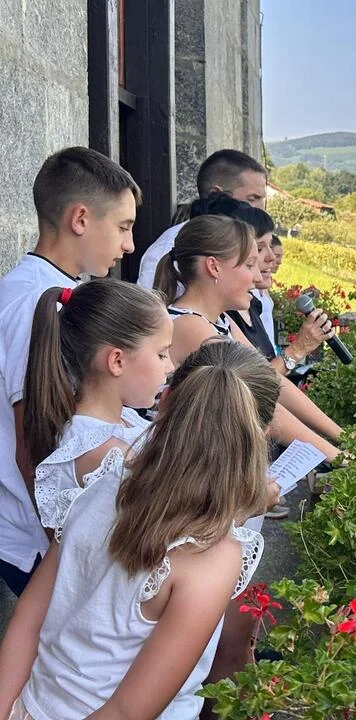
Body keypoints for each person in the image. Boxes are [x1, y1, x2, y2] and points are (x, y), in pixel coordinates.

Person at [0, 341, 280, 718]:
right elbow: (127, 711)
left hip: (31, 705)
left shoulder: (105, 481)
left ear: (165, 402)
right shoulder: (213, 555)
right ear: (261, 434)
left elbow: (29, 618)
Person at [0, 147, 140, 596]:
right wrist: (60, 551)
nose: (128, 245)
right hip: (37, 541)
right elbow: (33, 440)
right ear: (80, 218)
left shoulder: (49, 290)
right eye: (123, 226)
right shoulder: (36, 303)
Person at [155, 213, 343, 462]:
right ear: (214, 267)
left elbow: (270, 380)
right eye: (249, 265)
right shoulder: (190, 326)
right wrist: (341, 456)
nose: (257, 276)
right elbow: (258, 399)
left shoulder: (221, 320)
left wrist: (345, 437)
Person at [23, 280, 169, 529]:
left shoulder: (123, 420)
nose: (170, 367)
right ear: (117, 361)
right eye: (162, 354)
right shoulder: (104, 452)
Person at [138, 149, 267, 289]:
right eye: (252, 199)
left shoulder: (243, 241)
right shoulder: (169, 248)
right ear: (215, 194)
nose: (260, 208)